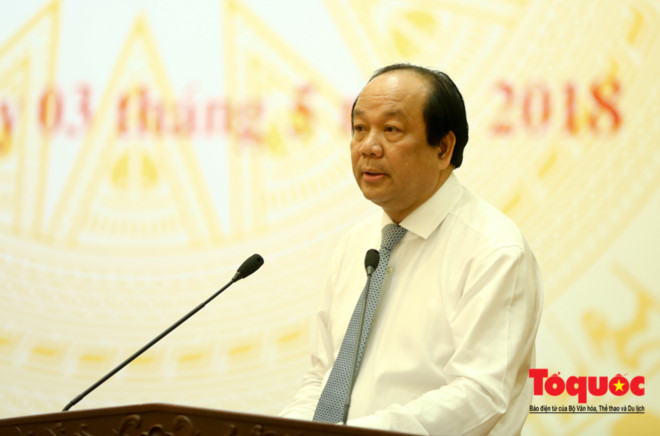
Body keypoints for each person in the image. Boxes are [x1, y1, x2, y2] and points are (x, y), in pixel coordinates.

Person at [279, 63, 543, 436]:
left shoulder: (494, 250)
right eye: (360, 128)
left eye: (391, 129)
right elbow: (323, 376)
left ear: (444, 148)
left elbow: (480, 396)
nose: (368, 146)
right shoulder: (356, 244)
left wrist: (358, 433)